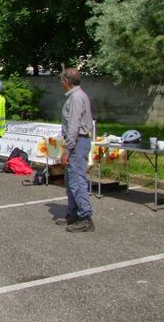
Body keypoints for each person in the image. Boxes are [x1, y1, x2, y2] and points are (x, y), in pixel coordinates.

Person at [57, 68, 95, 233]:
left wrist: (67, 149)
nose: (60, 83)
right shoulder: (76, 96)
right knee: (70, 180)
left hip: (78, 142)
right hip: (77, 141)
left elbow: (73, 125)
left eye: (61, 80)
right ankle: (73, 214)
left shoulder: (76, 98)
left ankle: (85, 217)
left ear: (67, 81)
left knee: (77, 181)